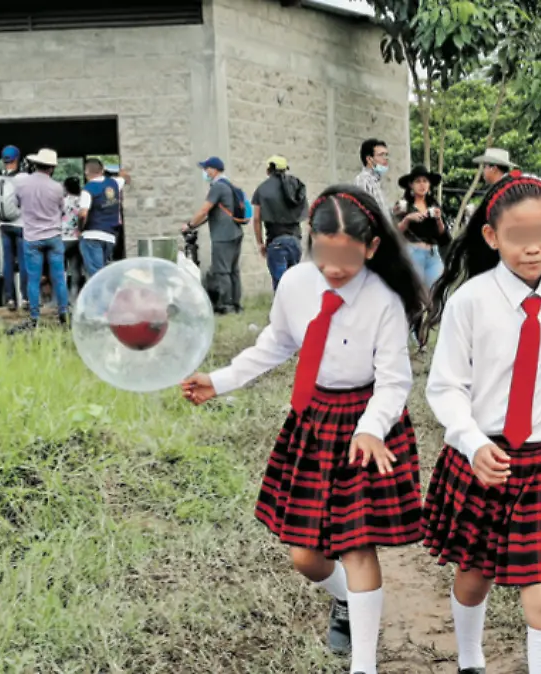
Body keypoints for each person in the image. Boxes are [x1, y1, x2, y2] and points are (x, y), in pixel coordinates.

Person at [180, 185, 427, 674]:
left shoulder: (383, 300)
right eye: (324, 253)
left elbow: (394, 380)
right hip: (314, 422)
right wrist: (220, 380)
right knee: (305, 556)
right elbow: (276, 343)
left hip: (365, 423)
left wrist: (371, 428)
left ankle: (364, 664)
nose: (333, 268)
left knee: (357, 545)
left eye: (347, 257)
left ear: (372, 248)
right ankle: (346, 599)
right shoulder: (295, 283)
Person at [421, 172, 541, 674]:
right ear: (492, 236)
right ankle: (469, 659)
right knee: (473, 575)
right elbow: (445, 386)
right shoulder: (470, 302)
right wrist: (472, 443)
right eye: (518, 236)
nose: (533, 247)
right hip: (483, 455)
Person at [9, 147, 69, 333]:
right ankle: (63, 315)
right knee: (59, 278)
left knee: (33, 280)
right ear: (51, 168)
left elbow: (17, 204)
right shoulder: (57, 187)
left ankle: (34, 317)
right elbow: (62, 210)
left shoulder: (22, 185)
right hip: (53, 236)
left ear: (35, 164)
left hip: (32, 237)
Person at [183, 156, 244, 314]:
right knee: (233, 270)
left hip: (223, 235)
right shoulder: (228, 184)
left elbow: (204, 210)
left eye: (206, 168)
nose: (204, 172)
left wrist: (189, 225)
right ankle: (236, 304)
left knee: (222, 270)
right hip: (236, 232)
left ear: (214, 170)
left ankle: (226, 305)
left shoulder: (217, 187)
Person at [250, 155, 307, 290]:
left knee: (281, 286)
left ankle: (283, 304)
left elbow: (257, 218)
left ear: (268, 170)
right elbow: (306, 213)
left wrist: (260, 243)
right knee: (294, 284)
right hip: (295, 241)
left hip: (276, 242)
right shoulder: (296, 186)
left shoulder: (262, 189)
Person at [392, 165, 449, 286]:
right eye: (418, 181)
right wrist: (407, 219)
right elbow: (395, 231)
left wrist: (439, 219)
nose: (422, 185)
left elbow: (442, 234)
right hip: (413, 252)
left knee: (437, 290)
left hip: (433, 253)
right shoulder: (403, 205)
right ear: (411, 185)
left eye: (425, 181)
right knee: (415, 292)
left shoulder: (434, 204)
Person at [0, 145, 29, 311]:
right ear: (17, 159)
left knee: (7, 262)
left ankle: (10, 298)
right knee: (23, 261)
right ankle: (25, 298)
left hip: (4, 224)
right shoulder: (23, 177)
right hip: (20, 224)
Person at [77, 158, 122, 277]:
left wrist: (80, 229)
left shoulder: (88, 189)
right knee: (104, 271)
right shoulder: (114, 183)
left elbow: (83, 214)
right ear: (102, 170)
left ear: (86, 172)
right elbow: (125, 177)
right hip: (110, 237)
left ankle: (103, 290)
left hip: (92, 236)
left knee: (96, 275)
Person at [354, 139, 391, 213]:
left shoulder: (376, 181)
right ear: (369, 159)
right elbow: (363, 211)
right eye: (381, 155)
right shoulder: (363, 180)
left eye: (386, 155)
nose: (386, 158)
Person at [61, 176, 84, 295]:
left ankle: (62, 295)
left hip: (64, 237)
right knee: (76, 267)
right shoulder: (82, 201)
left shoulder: (63, 201)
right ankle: (74, 293)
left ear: (66, 188)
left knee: (61, 267)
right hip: (78, 237)